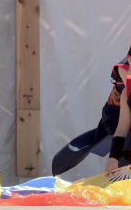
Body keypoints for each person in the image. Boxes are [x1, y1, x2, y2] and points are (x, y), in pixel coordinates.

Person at [52, 46, 129, 175]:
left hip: (122, 116)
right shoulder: (125, 69)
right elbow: (122, 129)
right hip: (115, 114)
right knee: (120, 143)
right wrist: (113, 158)